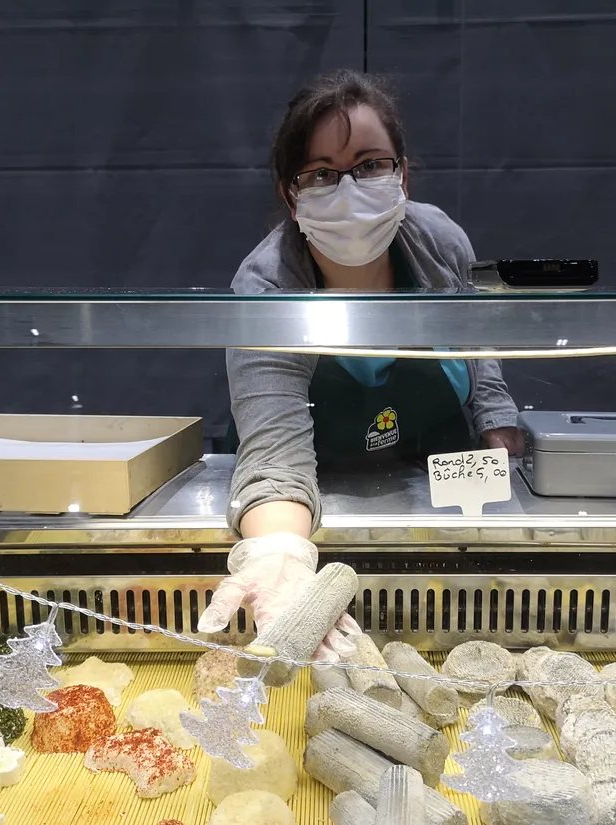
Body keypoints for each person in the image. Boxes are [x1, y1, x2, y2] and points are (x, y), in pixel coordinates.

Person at [197, 70, 520, 657]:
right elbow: (276, 456)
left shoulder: (439, 242)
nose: (348, 187)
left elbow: (476, 338)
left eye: (370, 164)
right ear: (289, 193)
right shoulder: (266, 287)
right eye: (321, 173)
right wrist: (279, 556)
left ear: (403, 173)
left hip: (430, 476)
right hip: (307, 488)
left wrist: (495, 418)